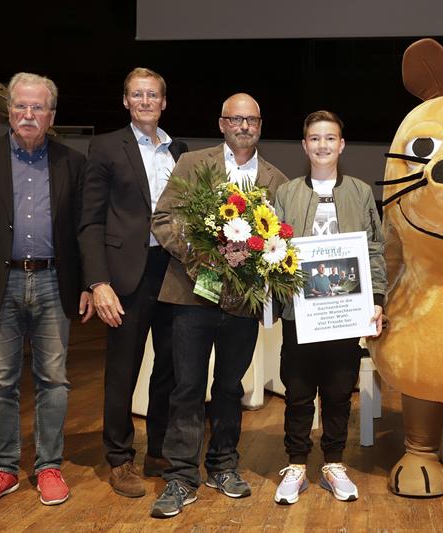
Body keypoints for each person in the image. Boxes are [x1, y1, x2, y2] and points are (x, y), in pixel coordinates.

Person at [0, 72, 93, 508]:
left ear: (51, 115)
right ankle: (3, 469)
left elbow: (82, 232)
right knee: (0, 381)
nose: (28, 114)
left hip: (53, 281)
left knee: (54, 381)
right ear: (9, 110)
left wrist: (85, 284)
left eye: (38, 107)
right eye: (21, 106)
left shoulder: (72, 162)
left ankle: (49, 466)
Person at [149, 93, 288, 518]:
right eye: (236, 119)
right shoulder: (193, 164)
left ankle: (223, 465)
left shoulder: (276, 179)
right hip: (193, 295)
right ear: (222, 123)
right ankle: (181, 475)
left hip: (242, 305)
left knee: (229, 388)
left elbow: (281, 240)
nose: (244, 126)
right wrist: (200, 256)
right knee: (187, 386)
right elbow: (163, 219)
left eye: (252, 120)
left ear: (260, 126)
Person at [79, 68, 188, 498]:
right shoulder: (106, 146)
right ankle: (120, 458)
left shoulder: (178, 150)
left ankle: (158, 450)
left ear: (164, 102)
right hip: (125, 276)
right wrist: (97, 281)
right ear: (126, 101)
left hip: (174, 272)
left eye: (153, 95)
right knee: (123, 371)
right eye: (137, 94)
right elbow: (89, 221)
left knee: (169, 368)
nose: (145, 101)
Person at [272, 110, 386, 505]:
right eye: (315, 138)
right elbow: (273, 251)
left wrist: (377, 299)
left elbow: (374, 249)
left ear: (342, 144)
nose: (322, 145)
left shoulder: (358, 192)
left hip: (344, 312)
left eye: (330, 138)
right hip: (299, 313)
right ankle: (297, 463)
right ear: (305, 146)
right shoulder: (286, 194)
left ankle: (334, 462)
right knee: (299, 391)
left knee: (339, 391)